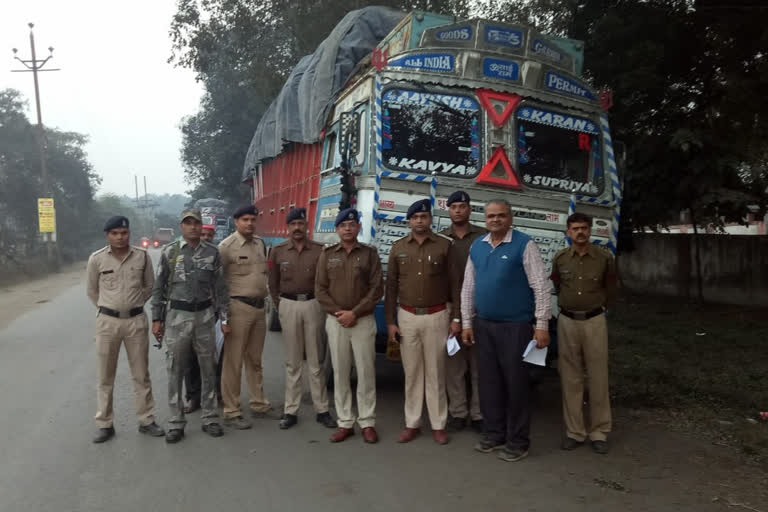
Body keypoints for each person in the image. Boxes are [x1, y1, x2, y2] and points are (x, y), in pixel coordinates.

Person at [461, 199, 551, 462]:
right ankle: (493, 434)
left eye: (501, 216)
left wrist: (542, 325)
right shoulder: (477, 246)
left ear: (510, 218)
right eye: (491, 216)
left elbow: (541, 287)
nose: (496, 220)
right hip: (484, 326)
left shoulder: (525, 244)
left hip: (516, 328)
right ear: (485, 219)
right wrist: (467, 322)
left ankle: (518, 441)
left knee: (516, 386)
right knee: (489, 384)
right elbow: (468, 287)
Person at [385, 199, 459, 445]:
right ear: (409, 220)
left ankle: (438, 425)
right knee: (412, 373)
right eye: (415, 217)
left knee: (436, 372)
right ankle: (412, 423)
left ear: (430, 219)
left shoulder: (445, 246)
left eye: (424, 217)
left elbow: (456, 285)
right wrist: (391, 322)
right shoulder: (397, 248)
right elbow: (391, 287)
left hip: (437, 315)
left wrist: (456, 318)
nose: (419, 221)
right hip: (406, 317)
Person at [151, 209, 228, 443]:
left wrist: (225, 318)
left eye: (196, 223)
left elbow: (222, 289)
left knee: (208, 367)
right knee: (175, 368)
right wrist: (157, 319)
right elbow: (159, 288)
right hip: (177, 316)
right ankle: (176, 421)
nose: (193, 227)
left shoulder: (213, 253)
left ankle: (210, 416)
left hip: (205, 315)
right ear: (181, 226)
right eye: (188, 223)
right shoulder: (170, 252)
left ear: (201, 226)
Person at [86, 216, 165, 443]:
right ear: (108, 235)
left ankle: (146, 420)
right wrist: (109, 308)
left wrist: (134, 303)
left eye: (124, 233)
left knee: (141, 374)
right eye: (115, 234)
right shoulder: (97, 259)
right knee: (105, 376)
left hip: (136, 321)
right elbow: (92, 291)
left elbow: (150, 286)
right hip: (107, 323)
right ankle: (104, 424)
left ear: (129, 233)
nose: (120, 237)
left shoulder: (141, 256)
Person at [551, 212, 617, 455]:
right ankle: (575, 432)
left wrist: (599, 308)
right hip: (568, 320)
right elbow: (557, 286)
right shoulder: (560, 259)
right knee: (570, 377)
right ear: (568, 232)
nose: (580, 232)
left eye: (584, 228)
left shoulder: (604, 257)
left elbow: (611, 288)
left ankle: (599, 431)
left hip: (594, 321)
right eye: (575, 228)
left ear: (590, 231)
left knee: (598, 376)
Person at [315, 208, 383, 444]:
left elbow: (377, 289)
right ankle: (345, 422)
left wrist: (354, 313)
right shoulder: (327, 254)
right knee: (341, 372)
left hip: (362, 321)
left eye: (352, 225)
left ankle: (367, 421)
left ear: (358, 228)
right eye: (343, 225)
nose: (348, 228)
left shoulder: (369, 254)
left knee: (366, 373)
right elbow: (320, 290)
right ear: (337, 229)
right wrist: (339, 313)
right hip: (336, 322)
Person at [268, 208, 337, 430]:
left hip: (313, 304)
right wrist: (281, 305)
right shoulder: (278, 251)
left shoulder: (319, 251)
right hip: (288, 304)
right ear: (288, 227)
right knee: (293, 361)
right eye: (293, 224)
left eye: (300, 223)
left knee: (316, 360)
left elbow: (326, 280)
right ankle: (291, 410)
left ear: (306, 225)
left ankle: (322, 409)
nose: (297, 228)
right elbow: (273, 283)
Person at [218, 205, 275, 430]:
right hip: (237, 308)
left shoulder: (260, 244)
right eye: (245, 220)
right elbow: (218, 285)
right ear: (236, 222)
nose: (249, 223)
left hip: (259, 309)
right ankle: (231, 410)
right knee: (233, 361)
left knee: (255, 360)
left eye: (253, 219)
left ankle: (259, 403)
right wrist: (224, 318)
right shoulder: (226, 247)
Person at [439, 190, 487, 433]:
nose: (458, 210)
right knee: (454, 364)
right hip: (449, 307)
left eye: (462, 206)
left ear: (469, 209)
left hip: (479, 306)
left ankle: (479, 414)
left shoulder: (483, 237)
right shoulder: (441, 238)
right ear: (448, 210)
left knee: (479, 364)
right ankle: (458, 412)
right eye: (453, 206)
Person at [182, 224, 217, 413]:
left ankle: (214, 396)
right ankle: (193, 397)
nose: (206, 237)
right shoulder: (183, 256)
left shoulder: (215, 255)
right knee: (190, 359)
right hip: (190, 314)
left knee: (212, 357)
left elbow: (222, 285)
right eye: (203, 234)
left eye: (210, 235)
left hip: (213, 312)